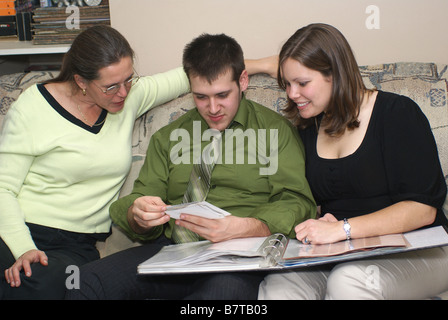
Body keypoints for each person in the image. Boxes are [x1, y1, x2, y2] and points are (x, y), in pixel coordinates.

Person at [65, 33, 316, 300]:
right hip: (174, 251)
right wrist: (137, 214)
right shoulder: (168, 137)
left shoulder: (274, 131)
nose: (213, 108)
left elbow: (297, 201)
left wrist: (249, 226)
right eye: (201, 97)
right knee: (84, 281)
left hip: (238, 254)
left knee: (221, 295)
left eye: (222, 95)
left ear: (242, 81)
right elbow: (138, 198)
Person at [0, 25, 193, 300]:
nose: (123, 93)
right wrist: (23, 249)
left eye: (129, 79)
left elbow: (197, 72)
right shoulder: (32, 106)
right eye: (111, 86)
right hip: (18, 229)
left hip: (76, 245)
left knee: (53, 283)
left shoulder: (129, 96)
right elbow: (3, 188)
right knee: (24, 276)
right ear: (80, 81)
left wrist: (263, 64)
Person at [258, 23, 448, 300]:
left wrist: (342, 229)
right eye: (287, 84)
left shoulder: (397, 113)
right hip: (345, 250)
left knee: (350, 281)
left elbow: (422, 210)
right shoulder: (308, 128)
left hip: (420, 248)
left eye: (302, 83)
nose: (292, 93)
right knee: (282, 285)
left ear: (335, 74)